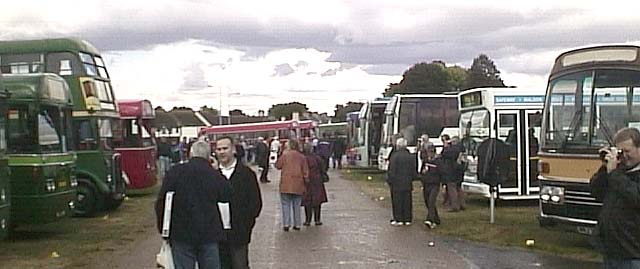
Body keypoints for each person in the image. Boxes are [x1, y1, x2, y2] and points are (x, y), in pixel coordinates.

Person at [155, 140, 232, 269]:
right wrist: (217, 170)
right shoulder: (212, 174)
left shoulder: (175, 172)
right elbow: (226, 195)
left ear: (190, 154)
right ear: (209, 156)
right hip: (209, 234)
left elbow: (162, 202)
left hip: (181, 233)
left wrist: (164, 230)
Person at [590, 127, 640, 268]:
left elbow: (636, 196)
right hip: (612, 252)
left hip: (634, 254)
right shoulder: (618, 172)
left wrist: (614, 174)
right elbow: (596, 192)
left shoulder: (618, 175)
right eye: (620, 152)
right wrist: (605, 167)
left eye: (627, 151)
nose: (623, 156)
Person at [214, 136, 263, 269]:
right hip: (217, 234)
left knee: (240, 265)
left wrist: (246, 225)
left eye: (225, 148)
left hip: (239, 233)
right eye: (219, 149)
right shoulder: (212, 175)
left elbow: (256, 203)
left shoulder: (246, 174)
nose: (222, 152)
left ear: (233, 150)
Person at [275, 139, 309, 231]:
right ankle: (297, 224)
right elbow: (305, 171)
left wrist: (281, 155)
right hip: (298, 183)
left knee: (285, 204)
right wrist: (306, 181)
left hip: (286, 183)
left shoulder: (285, 155)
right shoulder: (302, 157)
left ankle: (286, 224)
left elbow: (278, 166)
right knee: (297, 205)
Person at [387, 137, 417, 226]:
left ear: (398, 146)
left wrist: (390, 180)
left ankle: (398, 218)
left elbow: (391, 170)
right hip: (407, 182)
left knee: (397, 201)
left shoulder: (394, 157)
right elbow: (413, 170)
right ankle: (408, 219)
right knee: (407, 201)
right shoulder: (410, 156)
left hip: (396, 183)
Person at [302, 143, 328, 226]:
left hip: (306, 181)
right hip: (317, 181)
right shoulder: (317, 158)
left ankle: (308, 220)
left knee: (307, 201)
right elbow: (323, 169)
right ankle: (317, 219)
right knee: (317, 200)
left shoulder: (303, 159)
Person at [418, 134, 441, 229]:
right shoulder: (426, 161)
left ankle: (430, 220)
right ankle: (436, 219)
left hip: (435, 184)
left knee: (431, 201)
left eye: (431, 152)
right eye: (428, 152)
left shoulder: (438, 161)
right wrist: (422, 176)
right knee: (427, 202)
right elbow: (422, 171)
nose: (430, 154)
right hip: (426, 184)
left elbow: (442, 173)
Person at [441, 136, 465, 212]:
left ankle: (454, 206)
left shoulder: (451, 150)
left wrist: (445, 147)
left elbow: (443, 155)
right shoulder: (461, 149)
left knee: (452, 188)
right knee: (459, 188)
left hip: (451, 171)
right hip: (459, 171)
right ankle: (462, 204)